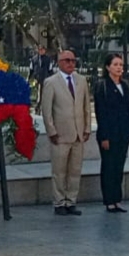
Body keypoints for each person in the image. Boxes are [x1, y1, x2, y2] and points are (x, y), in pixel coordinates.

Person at [41, 49, 91, 216]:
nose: (71, 63)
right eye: (67, 60)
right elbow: (46, 110)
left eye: (73, 60)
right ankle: (59, 202)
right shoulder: (51, 82)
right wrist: (51, 131)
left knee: (75, 170)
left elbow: (86, 107)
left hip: (78, 134)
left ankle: (71, 201)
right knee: (59, 171)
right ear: (59, 62)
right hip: (60, 135)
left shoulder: (81, 81)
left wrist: (87, 128)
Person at [93, 53, 129, 213]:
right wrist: (104, 136)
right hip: (109, 134)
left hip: (123, 133)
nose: (119, 68)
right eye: (115, 64)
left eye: (121, 65)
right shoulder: (102, 85)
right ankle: (109, 200)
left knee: (119, 167)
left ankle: (117, 199)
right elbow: (101, 112)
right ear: (107, 67)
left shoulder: (124, 86)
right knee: (109, 167)